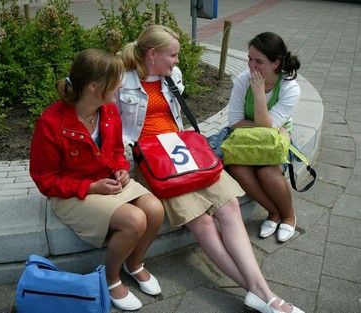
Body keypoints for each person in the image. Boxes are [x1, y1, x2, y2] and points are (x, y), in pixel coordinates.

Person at [117, 25, 304, 313]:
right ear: (152, 54)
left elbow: (179, 119)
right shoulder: (121, 79)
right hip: (153, 160)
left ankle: (261, 292)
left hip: (182, 149)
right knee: (202, 222)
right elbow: (110, 127)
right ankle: (263, 295)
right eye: (173, 55)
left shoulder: (172, 76)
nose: (177, 61)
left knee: (229, 205)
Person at [29, 49, 165, 311]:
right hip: (70, 193)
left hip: (106, 182)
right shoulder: (50, 122)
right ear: (94, 87)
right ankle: (111, 279)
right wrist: (91, 187)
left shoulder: (109, 110)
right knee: (134, 220)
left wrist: (121, 169)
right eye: (115, 82)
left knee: (155, 209)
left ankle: (134, 263)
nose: (121, 86)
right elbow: (44, 179)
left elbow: (115, 152)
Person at [225, 32, 301, 243]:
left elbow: (268, 129)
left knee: (267, 171)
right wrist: (267, 127)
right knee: (237, 167)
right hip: (246, 138)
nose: (251, 65)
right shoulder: (242, 80)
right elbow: (234, 122)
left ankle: (288, 215)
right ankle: (273, 212)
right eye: (249, 58)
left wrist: (259, 93)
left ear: (276, 63)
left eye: (259, 61)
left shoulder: (289, 87)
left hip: (274, 143)